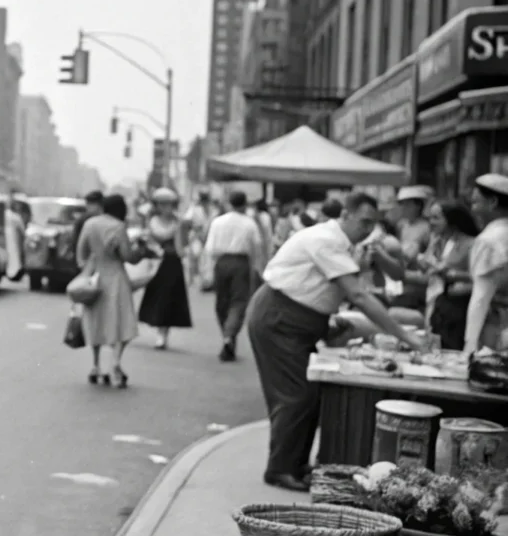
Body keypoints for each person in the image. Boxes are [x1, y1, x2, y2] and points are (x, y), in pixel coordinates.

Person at [246, 192, 426, 492]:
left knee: (309, 394)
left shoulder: (341, 243)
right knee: (296, 397)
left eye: (373, 224)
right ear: (345, 215)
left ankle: (295, 463)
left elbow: (317, 288)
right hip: (279, 320)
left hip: (293, 320)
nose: (367, 229)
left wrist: (326, 322)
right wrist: (404, 335)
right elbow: (358, 294)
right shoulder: (326, 240)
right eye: (363, 222)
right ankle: (279, 469)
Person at [76, 193, 146, 388]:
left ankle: (95, 366)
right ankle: (115, 362)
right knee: (123, 322)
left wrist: (88, 269)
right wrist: (140, 251)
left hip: (95, 279)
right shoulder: (118, 226)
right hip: (116, 279)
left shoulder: (89, 224)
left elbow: (80, 253)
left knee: (95, 321)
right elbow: (127, 256)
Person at [204, 190, 262, 362]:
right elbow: (256, 247)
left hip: (221, 263)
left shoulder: (218, 222)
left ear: (229, 203)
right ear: (245, 204)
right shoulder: (249, 223)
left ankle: (227, 336)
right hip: (241, 263)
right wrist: (259, 267)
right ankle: (229, 336)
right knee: (238, 301)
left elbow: (210, 248)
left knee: (222, 302)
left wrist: (207, 270)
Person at [138, 187, 192, 350]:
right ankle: (159, 331)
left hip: (172, 263)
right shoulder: (152, 222)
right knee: (157, 297)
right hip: (156, 263)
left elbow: (182, 245)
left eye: (168, 204)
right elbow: (149, 238)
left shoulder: (178, 223)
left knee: (169, 299)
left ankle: (163, 334)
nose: (165, 208)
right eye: (162, 205)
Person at [419, 200, 478, 350]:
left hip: (458, 307)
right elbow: (428, 269)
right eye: (429, 218)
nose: (431, 223)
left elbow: (480, 277)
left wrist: (452, 275)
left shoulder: (471, 244)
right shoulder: (438, 241)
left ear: (451, 220)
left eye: (436, 218)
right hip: (437, 303)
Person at [464, 174, 508, 355]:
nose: (472, 210)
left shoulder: (490, 240)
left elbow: (480, 298)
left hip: (498, 328)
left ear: (492, 202)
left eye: (475, 203)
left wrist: (469, 347)